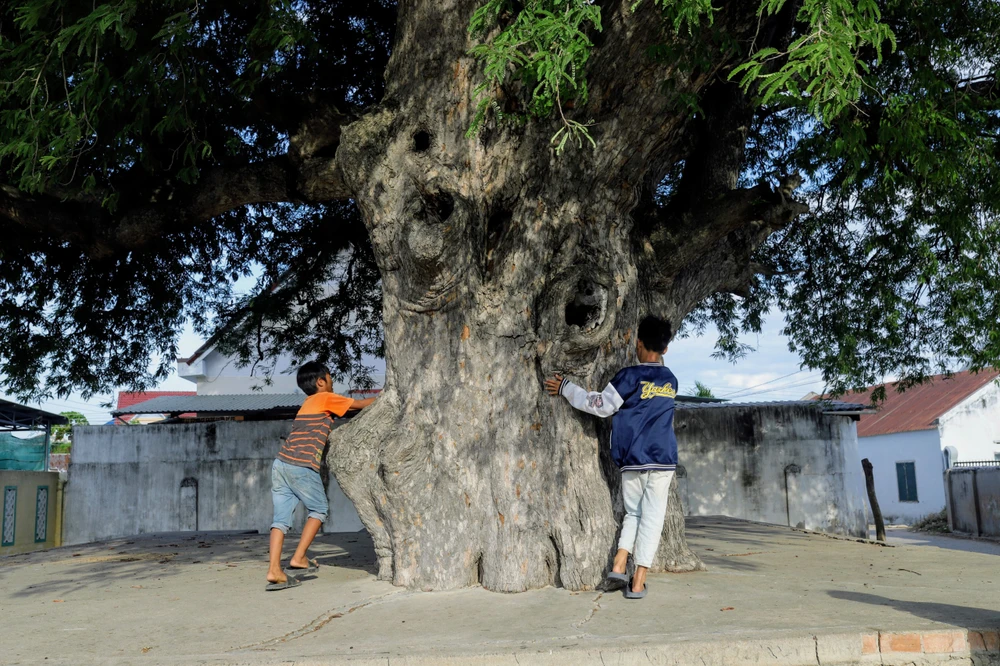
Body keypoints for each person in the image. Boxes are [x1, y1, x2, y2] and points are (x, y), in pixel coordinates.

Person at [544, 315, 678, 599]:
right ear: (665, 350)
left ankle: (619, 564)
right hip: (663, 460)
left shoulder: (628, 377)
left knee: (633, 513)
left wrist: (568, 387)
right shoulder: (671, 381)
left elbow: (601, 406)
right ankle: (638, 581)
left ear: (637, 343)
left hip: (633, 459)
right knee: (652, 517)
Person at [266, 361, 375, 591]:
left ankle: (275, 569)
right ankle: (298, 558)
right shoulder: (325, 397)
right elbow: (360, 405)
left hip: (281, 464)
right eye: (331, 379)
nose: (334, 384)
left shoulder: (307, 403)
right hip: (302, 465)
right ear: (321, 382)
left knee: (280, 520)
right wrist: (387, 396)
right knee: (318, 509)